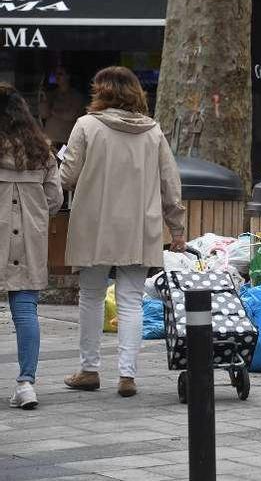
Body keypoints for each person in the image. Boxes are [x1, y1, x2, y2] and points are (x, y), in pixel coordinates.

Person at [60, 66, 186, 397]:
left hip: (94, 224)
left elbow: (66, 176)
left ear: (100, 92)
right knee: (132, 301)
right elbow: (170, 184)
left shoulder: (86, 126)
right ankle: (127, 376)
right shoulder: (153, 132)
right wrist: (178, 229)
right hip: (139, 226)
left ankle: (89, 369)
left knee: (91, 296)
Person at [0, 83, 64, 409]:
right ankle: (26, 383)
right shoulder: (42, 152)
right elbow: (55, 199)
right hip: (29, 239)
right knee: (25, 311)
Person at [38, 66, 86, 148]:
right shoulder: (51, 94)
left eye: (60, 74)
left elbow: (70, 115)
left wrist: (53, 110)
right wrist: (44, 100)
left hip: (66, 141)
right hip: (50, 140)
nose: (57, 77)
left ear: (68, 76)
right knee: (50, 160)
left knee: (62, 160)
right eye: (55, 74)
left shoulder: (76, 96)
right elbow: (44, 114)